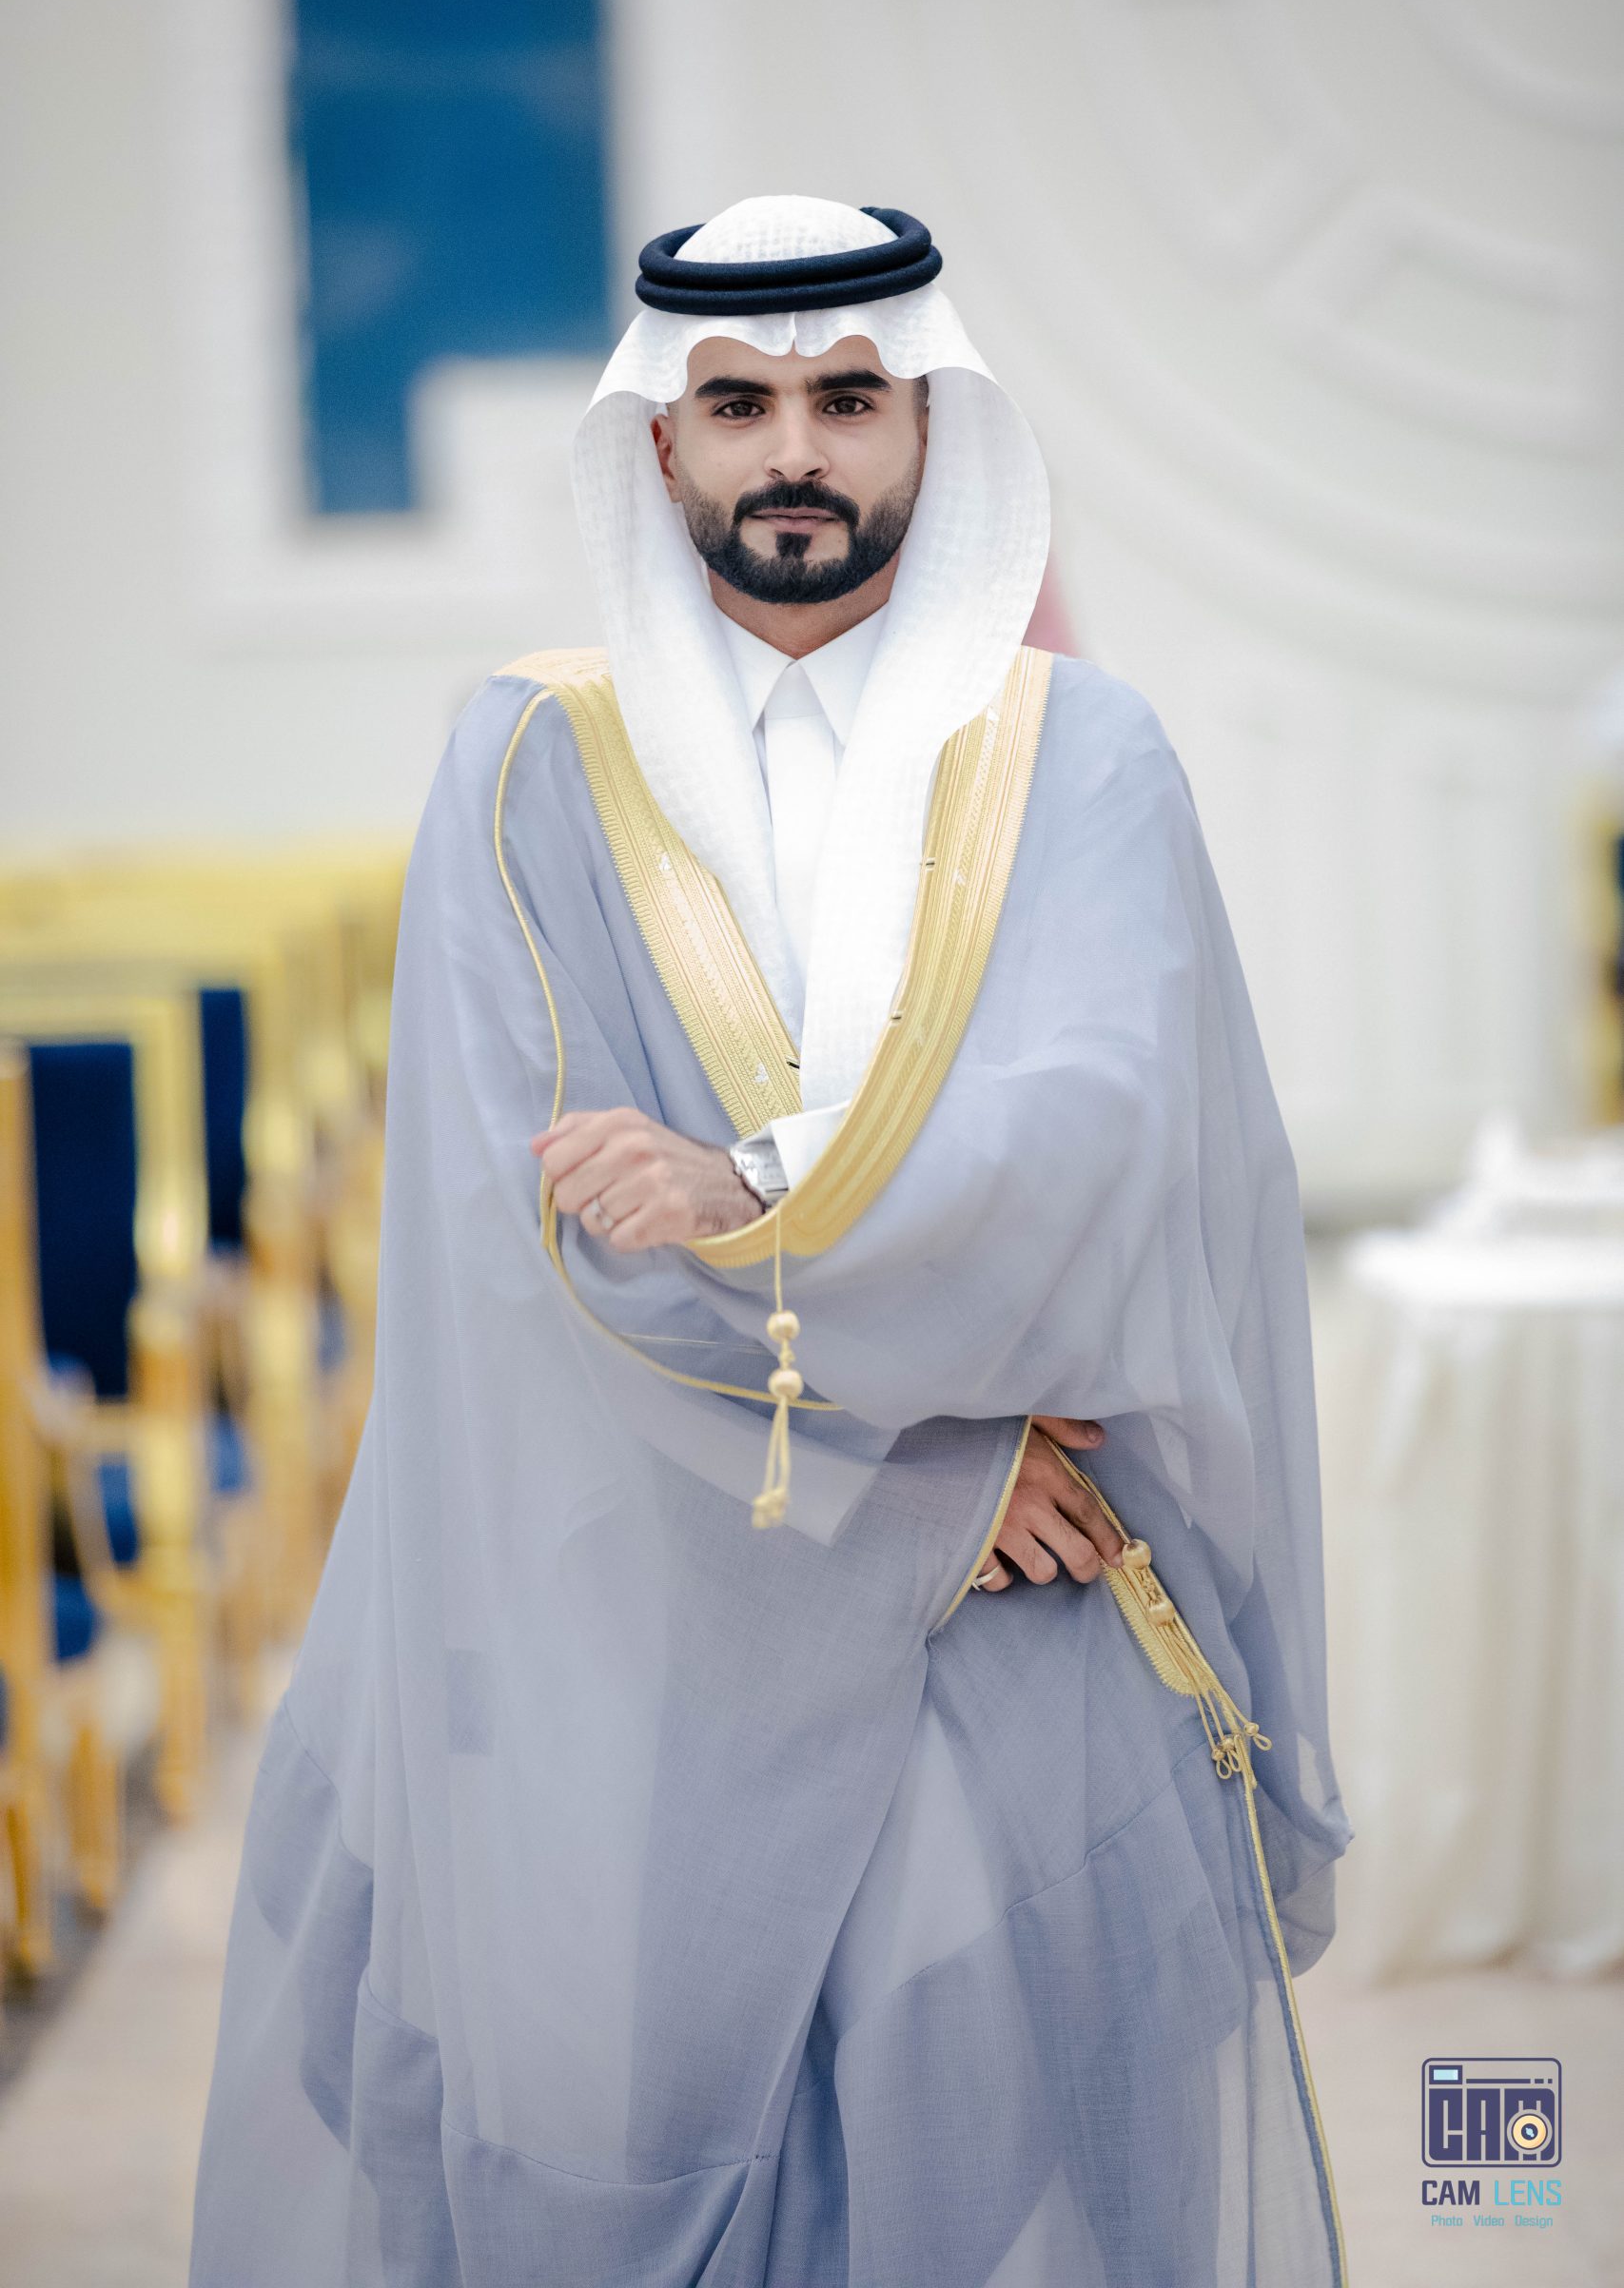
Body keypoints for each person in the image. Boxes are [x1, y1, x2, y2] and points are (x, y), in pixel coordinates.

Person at [190, 197, 1353, 2287]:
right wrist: (921, 1477)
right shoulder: (526, 762)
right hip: (648, 1586)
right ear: (658, 444)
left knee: (1006, 2139)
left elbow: (1099, 1136)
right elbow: (517, 1233)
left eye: (847, 398)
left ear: (932, 426)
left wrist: (762, 1188)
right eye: (736, 404)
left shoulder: (1079, 754)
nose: (793, 449)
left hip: (1023, 1597)